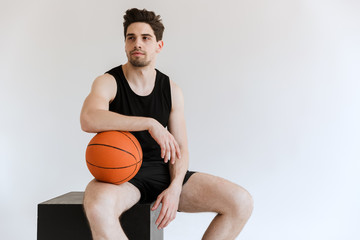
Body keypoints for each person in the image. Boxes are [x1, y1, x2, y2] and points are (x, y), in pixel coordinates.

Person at [80, 8, 253, 240]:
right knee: (98, 208)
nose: (137, 44)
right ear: (124, 44)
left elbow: (180, 148)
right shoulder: (108, 82)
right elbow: (89, 118)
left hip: (163, 172)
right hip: (121, 177)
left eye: (145, 38)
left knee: (240, 202)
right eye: (131, 37)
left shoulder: (171, 90)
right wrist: (150, 123)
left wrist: (175, 188)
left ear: (158, 46)